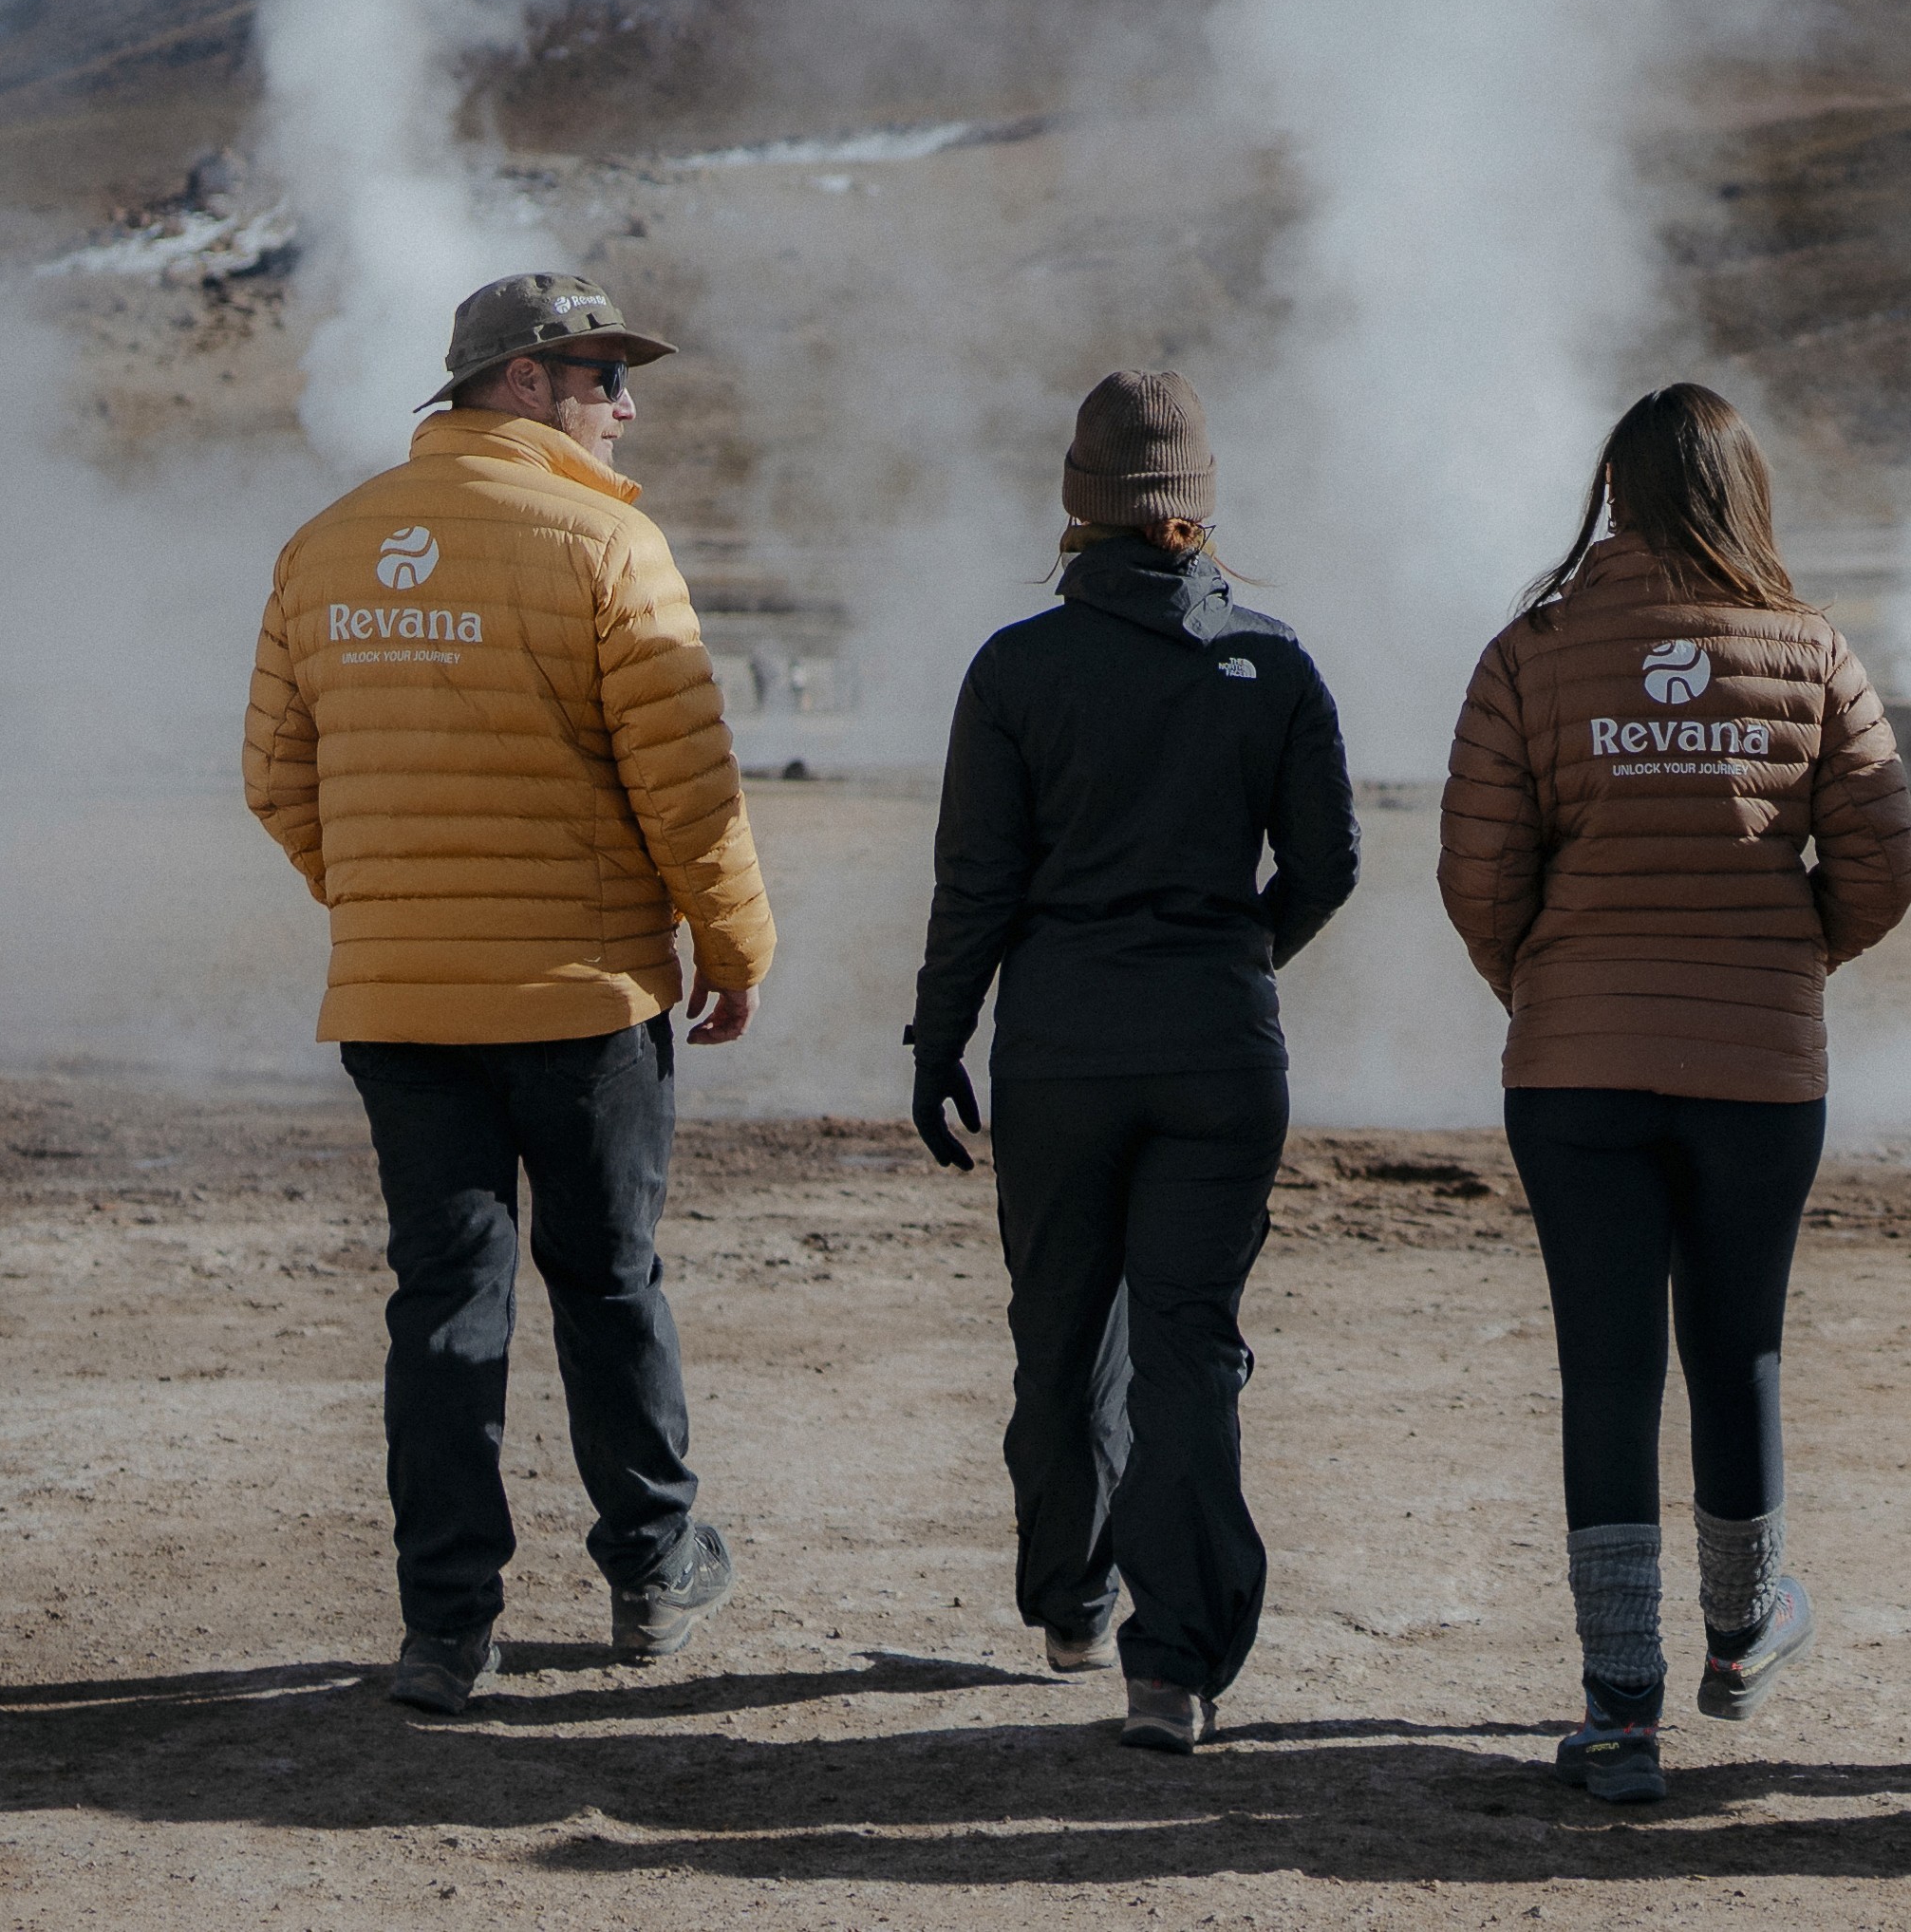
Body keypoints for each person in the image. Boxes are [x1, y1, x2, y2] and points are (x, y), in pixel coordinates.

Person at [242, 272, 774, 1716]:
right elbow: (691, 791)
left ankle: (445, 1630)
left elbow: (275, 780)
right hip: (581, 1000)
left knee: (444, 1305)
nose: (628, 403)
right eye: (604, 375)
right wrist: (733, 953)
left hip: (398, 1008)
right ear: (524, 384)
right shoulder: (608, 541)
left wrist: (385, 912)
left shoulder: (322, 547)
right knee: (607, 1285)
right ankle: (654, 1573)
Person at [1433, 383, 1911, 1807]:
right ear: (1742, 495)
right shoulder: (1811, 650)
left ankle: (1617, 1710)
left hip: (1573, 1072)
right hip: (1758, 1071)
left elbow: (1477, 872)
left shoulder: (1530, 650)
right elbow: (1885, 867)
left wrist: (1545, 983)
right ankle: (1740, 1630)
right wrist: (1789, 955)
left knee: (1605, 1368)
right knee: (1738, 1347)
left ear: (1617, 493)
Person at [905, 370, 1359, 1754]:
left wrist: (940, 1038)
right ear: (1199, 507)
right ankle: (1174, 1669)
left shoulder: (1016, 667)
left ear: (1074, 507)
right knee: (1185, 1351)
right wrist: (1232, 964)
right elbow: (1329, 866)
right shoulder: (1272, 663)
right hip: (1219, 1056)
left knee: (1060, 1331)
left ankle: (1067, 1599)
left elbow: (975, 882)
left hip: (1059, 1053)